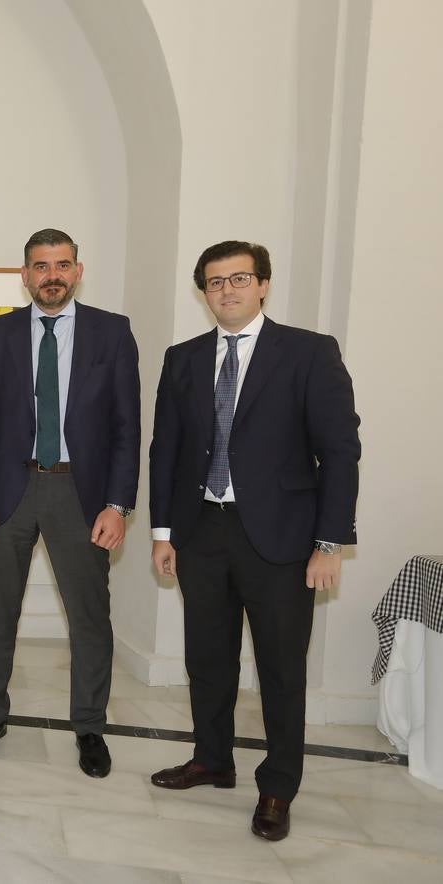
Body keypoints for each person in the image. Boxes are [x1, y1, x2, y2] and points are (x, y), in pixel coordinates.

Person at [148, 240, 360, 841]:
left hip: (283, 538)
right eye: (215, 283)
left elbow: (340, 451)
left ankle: (278, 786)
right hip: (200, 531)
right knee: (207, 659)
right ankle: (213, 759)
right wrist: (164, 532)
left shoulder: (309, 353)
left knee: (280, 669)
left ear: (263, 285)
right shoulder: (182, 358)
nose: (227, 291)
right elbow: (166, 450)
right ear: (203, 292)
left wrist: (330, 540)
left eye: (239, 279)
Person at [0, 229, 140, 778]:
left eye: (62, 265)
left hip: (80, 495)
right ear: (25, 275)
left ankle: (89, 726)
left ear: (78, 270)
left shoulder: (112, 334)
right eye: (41, 266)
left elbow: (126, 428)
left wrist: (119, 504)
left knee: (90, 615)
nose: (52, 276)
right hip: (7, 491)